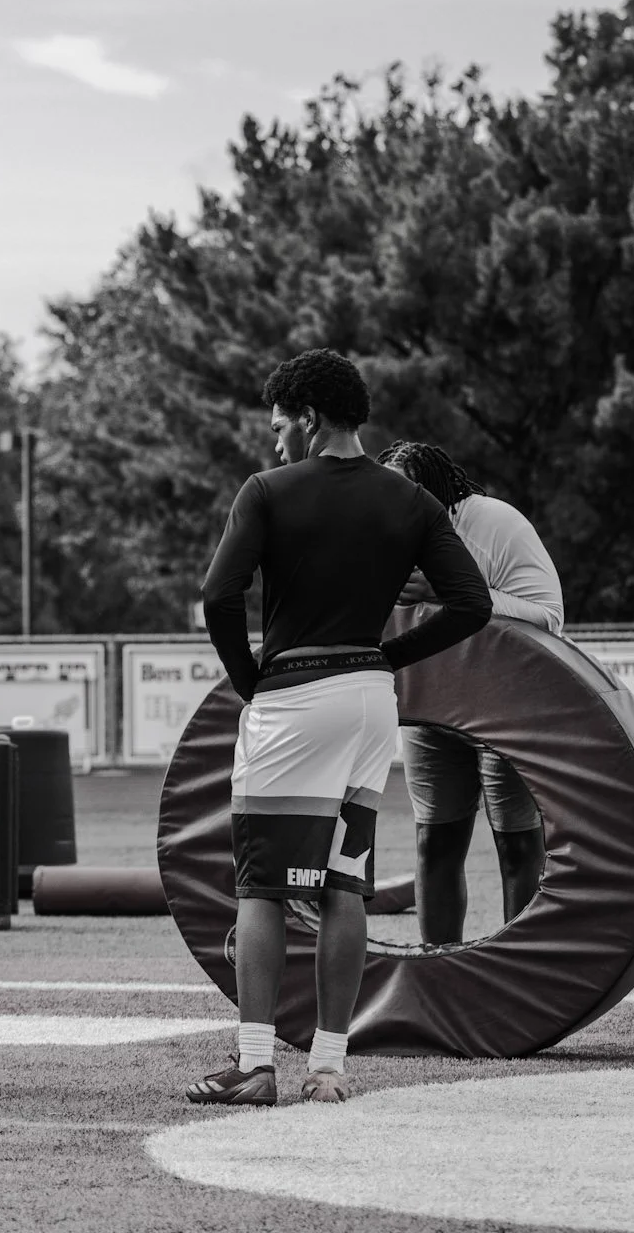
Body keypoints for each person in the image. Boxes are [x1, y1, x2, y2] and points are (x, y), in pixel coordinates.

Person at [189, 350, 490, 1108]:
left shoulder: (267, 491)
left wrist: (252, 679)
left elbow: (219, 595)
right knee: (341, 883)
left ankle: (255, 1064)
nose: (276, 440)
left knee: (261, 886)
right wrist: (388, 654)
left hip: (297, 697)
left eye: (281, 423)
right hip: (369, 702)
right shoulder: (410, 499)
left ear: (311, 417)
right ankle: (329, 1067)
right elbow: (471, 602)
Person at [379, 441, 564, 943]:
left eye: (412, 490)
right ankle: (437, 971)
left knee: (519, 846)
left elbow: (549, 617)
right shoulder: (382, 531)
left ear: (441, 494)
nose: (400, 502)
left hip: (507, 702)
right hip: (431, 703)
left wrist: (446, 591)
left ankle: (520, 974)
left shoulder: (493, 525)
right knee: (435, 841)